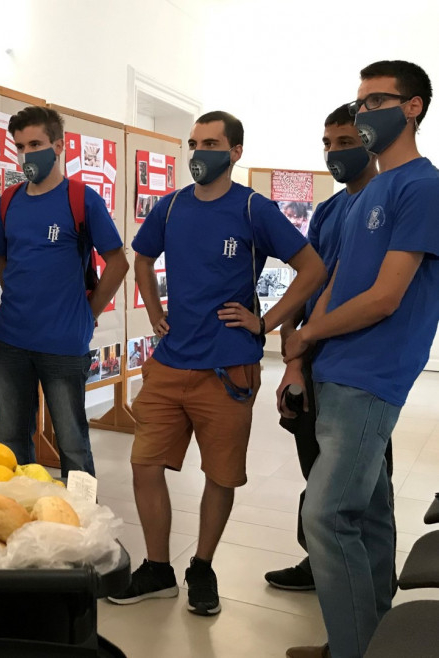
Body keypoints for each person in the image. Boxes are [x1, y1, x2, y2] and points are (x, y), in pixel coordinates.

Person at [108, 111, 325, 616]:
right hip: (169, 364)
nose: (199, 153)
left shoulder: (253, 209)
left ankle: (201, 566)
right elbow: (142, 258)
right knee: (144, 465)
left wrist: (265, 322)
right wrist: (155, 312)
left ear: (235, 152)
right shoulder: (171, 206)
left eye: (210, 143)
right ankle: (157, 568)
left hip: (229, 369)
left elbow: (312, 268)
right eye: (194, 143)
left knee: (221, 475)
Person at [285, 61, 439, 658]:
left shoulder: (422, 187)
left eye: (377, 101)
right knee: (369, 517)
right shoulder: (370, 191)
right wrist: (304, 346)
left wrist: (311, 332)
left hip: (373, 375)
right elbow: (338, 278)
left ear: (413, 107)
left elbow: (385, 297)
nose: (364, 112)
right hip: (335, 367)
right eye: (360, 102)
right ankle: (371, 641)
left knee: (326, 517)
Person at [264, 104, 384, 593]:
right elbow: (307, 283)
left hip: (358, 358)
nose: (334, 153)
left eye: (346, 143)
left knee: (362, 479)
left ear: (370, 142)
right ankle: (319, 561)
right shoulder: (330, 210)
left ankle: (371, 575)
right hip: (312, 353)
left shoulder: (386, 202)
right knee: (314, 462)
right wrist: (292, 357)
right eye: (328, 144)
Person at [0, 106, 128, 477]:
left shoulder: (81, 198)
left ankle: (81, 511)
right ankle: (20, 507)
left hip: (63, 342)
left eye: (35, 144)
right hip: (11, 340)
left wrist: (89, 313)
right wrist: (18, 298)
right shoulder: (9, 200)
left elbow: (118, 263)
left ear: (59, 146)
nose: (26, 154)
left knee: (72, 441)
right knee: (11, 440)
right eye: (20, 146)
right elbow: (3, 258)